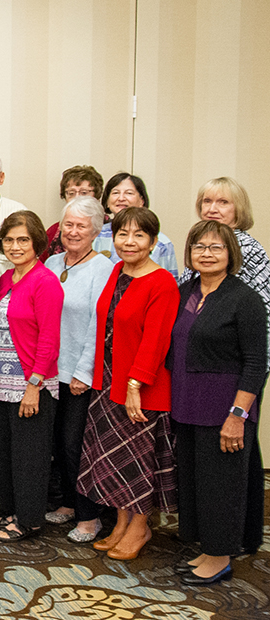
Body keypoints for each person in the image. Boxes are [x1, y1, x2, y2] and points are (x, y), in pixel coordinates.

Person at [77, 207, 178, 561]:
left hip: (140, 388)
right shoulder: (118, 271)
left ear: (153, 241)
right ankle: (120, 524)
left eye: (139, 235)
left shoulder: (162, 282)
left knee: (137, 463)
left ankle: (140, 527)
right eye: (122, 234)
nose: (129, 241)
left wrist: (136, 384)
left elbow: (156, 340)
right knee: (114, 461)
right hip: (108, 381)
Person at [169, 220, 265, 585]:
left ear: (230, 254)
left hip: (224, 409)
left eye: (216, 247)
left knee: (221, 486)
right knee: (196, 482)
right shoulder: (185, 291)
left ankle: (221, 556)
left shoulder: (245, 299)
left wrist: (238, 415)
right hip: (186, 405)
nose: (206, 254)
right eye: (199, 247)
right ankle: (207, 548)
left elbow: (256, 362)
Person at [0, 211, 64, 542]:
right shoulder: (7, 278)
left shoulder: (45, 282)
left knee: (30, 456)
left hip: (32, 384)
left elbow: (49, 340)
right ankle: (10, 509)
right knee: (6, 452)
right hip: (3, 382)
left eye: (23, 240)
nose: (15, 246)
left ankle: (30, 520)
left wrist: (34, 385)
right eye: (9, 240)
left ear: (37, 243)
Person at [43, 197, 114, 543]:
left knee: (77, 445)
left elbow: (98, 327)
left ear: (96, 230)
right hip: (47, 371)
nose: (72, 232)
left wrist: (83, 373)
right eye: (68, 224)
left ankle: (90, 516)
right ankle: (69, 504)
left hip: (76, 375)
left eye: (81, 226)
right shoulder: (53, 262)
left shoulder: (104, 269)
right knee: (56, 441)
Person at [91, 172, 177, 275]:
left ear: (142, 201)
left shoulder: (162, 243)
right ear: (107, 202)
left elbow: (169, 284)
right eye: (115, 193)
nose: (121, 198)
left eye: (129, 193)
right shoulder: (95, 235)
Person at [41, 166, 103, 261]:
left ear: (96, 195)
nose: (77, 198)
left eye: (84, 192)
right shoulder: (53, 232)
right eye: (71, 193)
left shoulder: (109, 230)